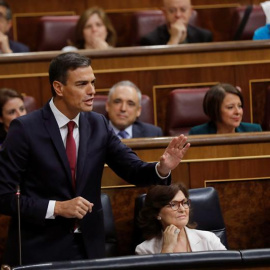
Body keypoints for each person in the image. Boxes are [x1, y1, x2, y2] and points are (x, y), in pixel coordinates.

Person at [0, 52, 190, 267]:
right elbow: (3, 197)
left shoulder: (98, 123)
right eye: (82, 84)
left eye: (93, 82)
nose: (92, 91)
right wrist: (57, 208)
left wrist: (161, 168)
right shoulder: (25, 129)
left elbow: (131, 168)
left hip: (89, 247)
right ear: (58, 87)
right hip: (40, 249)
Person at [135, 183, 226, 254]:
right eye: (173, 205)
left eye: (184, 203)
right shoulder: (145, 250)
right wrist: (167, 248)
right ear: (157, 213)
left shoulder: (209, 239)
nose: (182, 209)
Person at [189, 83, 262, 135]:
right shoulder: (198, 133)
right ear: (215, 110)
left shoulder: (254, 131)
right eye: (230, 107)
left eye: (239, 106)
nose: (238, 112)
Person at [140, 0, 212, 46]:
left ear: (190, 12)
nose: (178, 15)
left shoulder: (204, 37)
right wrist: (174, 39)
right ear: (164, 13)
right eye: (172, 11)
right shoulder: (150, 40)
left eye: (183, 10)